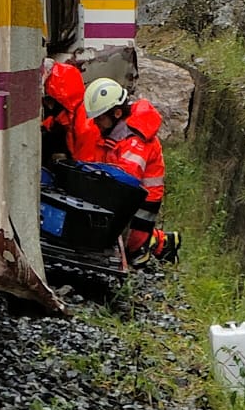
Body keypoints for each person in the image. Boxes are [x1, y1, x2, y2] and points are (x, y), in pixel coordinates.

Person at [87, 82, 179, 264]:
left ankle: (158, 244)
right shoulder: (114, 134)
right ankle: (164, 242)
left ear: (117, 113)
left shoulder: (134, 141)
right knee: (126, 237)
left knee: (133, 248)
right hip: (133, 192)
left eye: (99, 118)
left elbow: (127, 179)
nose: (95, 122)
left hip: (145, 197)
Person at [40, 60, 102, 166]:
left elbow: (85, 168)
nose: (46, 103)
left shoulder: (85, 127)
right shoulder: (70, 116)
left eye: (48, 99)